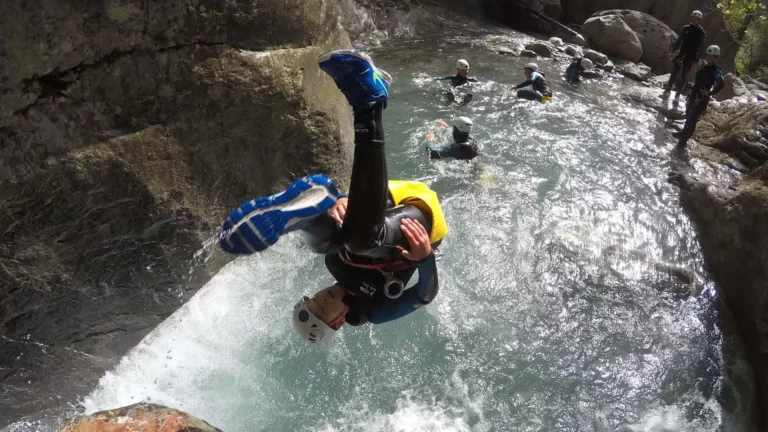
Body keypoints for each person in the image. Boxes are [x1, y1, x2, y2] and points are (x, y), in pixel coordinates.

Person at [219, 50, 448, 343]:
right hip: (425, 225)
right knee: (357, 241)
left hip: (390, 200)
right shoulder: (375, 310)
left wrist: (341, 200)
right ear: (338, 322)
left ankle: (312, 213)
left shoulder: (335, 264)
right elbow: (425, 296)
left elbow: (350, 224)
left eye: (313, 301)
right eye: (322, 311)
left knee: (330, 241)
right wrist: (425, 257)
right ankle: (368, 105)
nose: (321, 299)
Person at [673, 45, 724, 147]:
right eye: (708, 55)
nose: (708, 57)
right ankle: (683, 133)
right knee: (688, 114)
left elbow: (721, 83)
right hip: (694, 94)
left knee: (692, 118)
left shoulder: (716, 70)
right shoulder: (703, 66)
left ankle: (683, 141)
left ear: (715, 58)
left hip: (701, 97)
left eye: (711, 56)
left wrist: (709, 93)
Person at [662, 10, 707, 100]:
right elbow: (679, 40)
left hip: (691, 57)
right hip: (681, 54)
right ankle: (667, 90)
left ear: (699, 20)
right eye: (693, 18)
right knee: (674, 72)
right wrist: (673, 51)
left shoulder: (701, 33)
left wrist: (696, 60)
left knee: (684, 76)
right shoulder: (685, 28)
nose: (694, 20)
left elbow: (701, 48)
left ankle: (677, 95)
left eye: (696, 19)